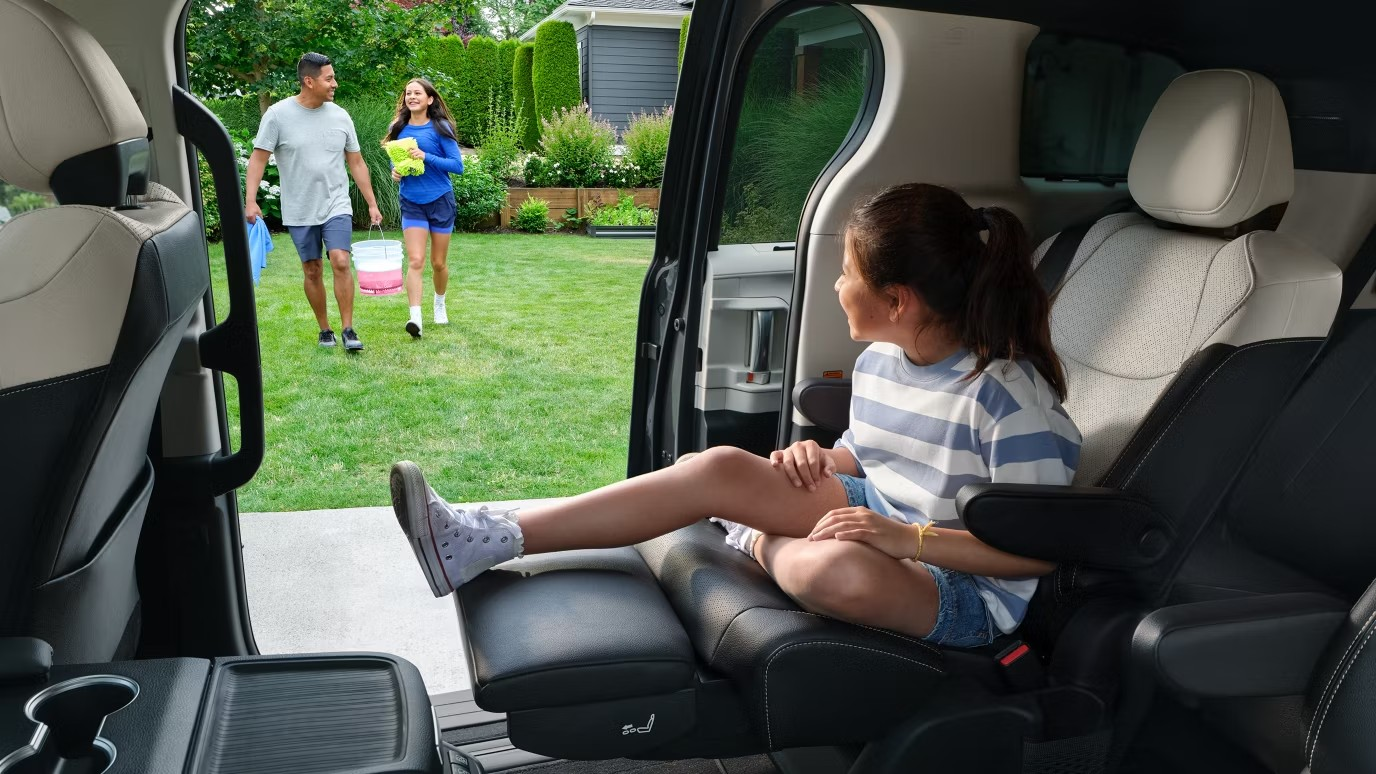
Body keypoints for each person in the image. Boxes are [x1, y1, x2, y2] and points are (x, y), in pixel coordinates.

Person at [389, 183, 1083, 646]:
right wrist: (822, 459)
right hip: (875, 514)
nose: (839, 285)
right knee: (719, 464)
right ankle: (486, 538)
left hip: (957, 581)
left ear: (897, 300)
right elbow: (871, 458)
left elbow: (1040, 550)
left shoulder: (1005, 398)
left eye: (848, 273)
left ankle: (755, 536)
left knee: (831, 571)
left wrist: (907, 542)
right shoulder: (879, 363)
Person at [246, 52, 383, 352]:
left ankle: (348, 329)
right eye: (329, 78)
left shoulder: (340, 115)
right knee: (312, 268)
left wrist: (372, 203)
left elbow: (357, 162)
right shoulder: (278, 116)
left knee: (340, 260)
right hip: (299, 207)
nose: (335, 83)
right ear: (309, 81)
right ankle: (325, 329)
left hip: (336, 203)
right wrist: (250, 200)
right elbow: (257, 160)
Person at [383, 78, 464, 338]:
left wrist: (425, 156)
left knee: (438, 263)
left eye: (418, 93)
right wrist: (394, 172)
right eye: (408, 93)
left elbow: (457, 166)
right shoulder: (398, 128)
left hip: (440, 200)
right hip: (412, 201)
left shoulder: (440, 127)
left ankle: (439, 304)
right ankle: (415, 318)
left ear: (430, 99)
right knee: (416, 260)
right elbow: (395, 161)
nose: (412, 97)